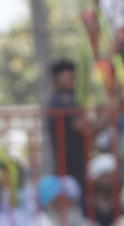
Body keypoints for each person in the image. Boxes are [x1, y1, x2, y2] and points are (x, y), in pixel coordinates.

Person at [45, 59, 112, 191]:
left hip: (75, 167)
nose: (73, 81)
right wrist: (109, 113)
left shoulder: (67, 101)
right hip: (72, 170)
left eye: (74, 77)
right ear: (55, 81)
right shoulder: (62, 101)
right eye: (68, 78)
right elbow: (89, 130)